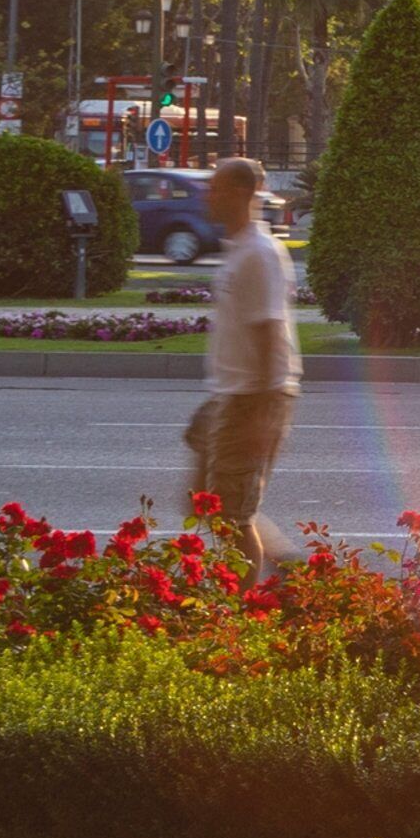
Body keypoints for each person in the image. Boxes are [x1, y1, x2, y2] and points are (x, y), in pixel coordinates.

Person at [183, 155, 299, 575]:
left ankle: (244, 612)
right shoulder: (239, 249)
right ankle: (286, 565)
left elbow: (270, 335)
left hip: (251, 397)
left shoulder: (259, 253)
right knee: (203, 498)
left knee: (232, 517)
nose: (206, 195)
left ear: (239, 193)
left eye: (214, 188)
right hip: (228, 393)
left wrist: (263, 415)